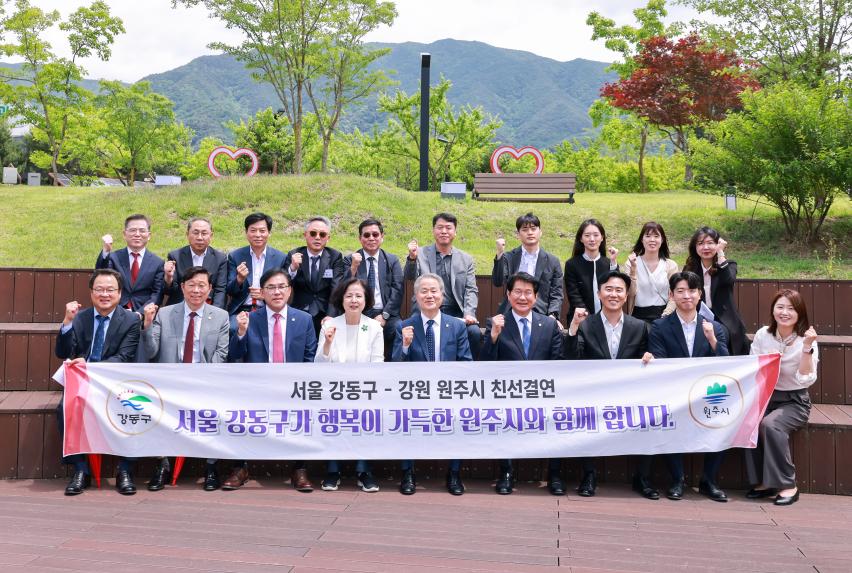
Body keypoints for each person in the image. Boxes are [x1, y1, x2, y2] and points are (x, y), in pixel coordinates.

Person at [563, 271, 656, 499]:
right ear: (599, 294)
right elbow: (572, 359)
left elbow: (648, 357)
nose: (613, 294)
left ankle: (642, 478)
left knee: (652, 417)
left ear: (626, 295)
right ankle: (589, 475)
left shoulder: (639, 326)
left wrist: (649, 358)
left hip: (630, 394)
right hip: (594, 393)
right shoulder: (586, 325)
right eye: (609, 289)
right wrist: (573, 329)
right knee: (583, 415)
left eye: (619, 290)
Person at [226, 269, 318, 492]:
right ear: (262, 293)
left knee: (304, 413)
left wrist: (299, 387)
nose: (277, 292)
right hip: (256, 386)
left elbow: (310, 358)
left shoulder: (304, 319)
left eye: (281, 287)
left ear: (290, 291)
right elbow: (234, 355)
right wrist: (241, 332)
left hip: (292, 387)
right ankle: (240, 467)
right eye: (271, 288)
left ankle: (299, 469)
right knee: (238, 409)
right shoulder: (250, 319)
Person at [141, 266, 230, 492]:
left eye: (201, 285)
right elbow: (151, 352)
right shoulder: (165, 313)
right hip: (169, 383)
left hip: (205, 381)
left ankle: (211, 467)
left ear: (210, 289)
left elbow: (221, 354)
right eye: (191, 285)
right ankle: (162, 465)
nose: (196, 290)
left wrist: (202, 379)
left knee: (217, 409)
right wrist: (147, 325)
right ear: (182, 287)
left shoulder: (220, 316)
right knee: (156, 409)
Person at [55, 269, 141, 495]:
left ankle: (125, 469)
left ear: (120, 293)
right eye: (99, 289)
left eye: (110, 290)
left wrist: (91, 367)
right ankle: (80, 469)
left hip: (117, 383)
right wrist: (67, 322)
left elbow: (124, 357)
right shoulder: (80, 318)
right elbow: (63, 352)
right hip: (83, 383)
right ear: (91, 293)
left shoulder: (131, 320)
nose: (105, 294)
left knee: (135, 408)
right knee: (64, 408)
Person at [647, 271, 730, 502]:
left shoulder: (715, 327)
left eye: (692, 291)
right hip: (674, 394)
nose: (687, 296)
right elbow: (661, 362)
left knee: (724, 421)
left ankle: (709, 480)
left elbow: (727, 364)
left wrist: (712, 339)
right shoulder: (660, 326)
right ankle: (677, 479)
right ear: (671, 295)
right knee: (669, 420)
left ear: (700, 294)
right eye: (681, 291)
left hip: (706, 394)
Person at [481, 272, 563, 495]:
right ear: (508, 295)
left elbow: (558, 362)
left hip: (542, 394)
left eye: (528, 293)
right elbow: (485, 364)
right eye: (517, 292)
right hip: (508, 395)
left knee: (558, 416)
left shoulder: (549, 325)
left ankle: (554, 474)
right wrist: (493, 336)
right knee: (504, 416)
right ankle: (506, 473)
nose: (523, 297)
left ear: (536, 297)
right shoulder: (496, 323)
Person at [392, 273, 473, 495]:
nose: (429, 295)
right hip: (415, 394)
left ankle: (454, 474)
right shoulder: (404, 326)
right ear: (416, 297)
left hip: (448, 393)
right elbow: (395, 367)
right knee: (404, 418)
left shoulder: (456, 326)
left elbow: (466, 363)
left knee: (459, 418)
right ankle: (408, 473)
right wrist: (405, 345)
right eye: (424, 291)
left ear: (442, 296)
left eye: (434, 291)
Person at [745, 289, 818, 507]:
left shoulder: (807, 339)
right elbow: (752, 366)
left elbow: (805, 379)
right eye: (780, 307)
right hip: (766, 395)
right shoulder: (763, 335)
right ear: (773, 310)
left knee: (771, 425)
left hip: (794, 400)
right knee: (748, 422)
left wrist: (807, 348)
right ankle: (765, 482)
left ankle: (788, 484)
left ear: (799, 313)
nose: (784, 312)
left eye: (791, 308)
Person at [316, 278, 384, 493]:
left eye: (358, 296)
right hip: (334, 391)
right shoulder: (330, 325)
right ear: (341, 299)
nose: (354, 300)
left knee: (367, 419)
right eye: (349, 296)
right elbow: (319, 365)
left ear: (366, 300)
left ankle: (364, 471)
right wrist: (327, 344)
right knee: (332, 418)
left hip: (364, 390)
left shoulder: (374, 327)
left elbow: (378, 362)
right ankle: (333, 471)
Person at [404, 213, 481, 356]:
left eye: (448, 228)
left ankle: (469, 368)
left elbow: (471, 289)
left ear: (455, 232)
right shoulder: (420, 253)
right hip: (426, 310)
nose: (444, 231)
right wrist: (412, 259)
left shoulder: (466, 259)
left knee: (474, 332)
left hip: (455, 313)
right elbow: (409, 277)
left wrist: (469, 313)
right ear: (434, 231)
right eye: (440, 227)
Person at [683, 227, 749, 355]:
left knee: (718, 334)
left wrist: (720, 253)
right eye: (700, 243)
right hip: (697, 318)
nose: (705, 247)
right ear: (695, 247)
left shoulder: (728, 265)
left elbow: (728, 281)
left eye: (710, 243)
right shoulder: (690, 269)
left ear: (718, 244)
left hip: (725, 320)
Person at [344, 218, 404, 360]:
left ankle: (395, 368)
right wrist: (353, 268)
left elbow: (397, 289)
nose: (371, 238)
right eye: (366, 235)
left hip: (387, 313)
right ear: (360, 238)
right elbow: (343, 289)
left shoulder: (392, 260)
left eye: (375, 234)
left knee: (399, 328)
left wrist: (385, 315)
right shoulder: (350, 260)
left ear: (382, 237)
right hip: (359, 313)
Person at [492, 212, 563, 324]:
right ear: (518, 234)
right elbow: (498, 282)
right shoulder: (509, 257)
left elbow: (556, 293)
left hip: (541, 312)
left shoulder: (552, 261)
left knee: (555, 329)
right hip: (511, 310)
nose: (530, 233)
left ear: (540, 232)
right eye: (525, 229)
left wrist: (553, 315)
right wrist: (500, 253)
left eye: (533, 229)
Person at [285, 216, 346, 335]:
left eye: (322, 234)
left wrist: (331, 315)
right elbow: (284, 283)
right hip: (299, 311)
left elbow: (336, 288)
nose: (317, 237)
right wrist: (292, 268)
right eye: (313, 233)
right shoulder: (294, 254)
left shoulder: (335, 256)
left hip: (324, 312)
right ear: (305, 235)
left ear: (328, 238)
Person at [95, 213, 164, 313]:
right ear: (124, 234)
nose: (137, 234)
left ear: (149, 235)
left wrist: (141, 313)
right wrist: (106, 251)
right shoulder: (114, 258)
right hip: (116, 312)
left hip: (143, 314)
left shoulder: (157, 263)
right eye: (132, 230)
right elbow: (100, 275)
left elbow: (157, 294)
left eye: (142, 230)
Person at [226, 212, 287, 316]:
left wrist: (266, 295)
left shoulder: (280, 258)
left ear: (269, 233)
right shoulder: (235, 256)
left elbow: (284, 289)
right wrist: (239, 279)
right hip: (241, 310)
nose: (258, 235)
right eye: (253, 230)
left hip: (269, 309)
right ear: (246, 232)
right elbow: (229, 290)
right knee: (233, 325)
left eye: (262, 231)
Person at [163, 217, 228, 309]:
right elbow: (170, 291)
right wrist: (168, 278)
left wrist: (215, 312)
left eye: (204, 233)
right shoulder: (175, 256)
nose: (199, 237)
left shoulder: (220, 258)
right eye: (196, 233)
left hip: (208, 307)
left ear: (211, 235)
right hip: (181, 308)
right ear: (187, 234)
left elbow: (220, 289)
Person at [563, 218, 619, 325]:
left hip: (607, 319)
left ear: (602, 238)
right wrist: (590, 321)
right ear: (581, 238)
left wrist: (613, 262)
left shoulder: (608, 263)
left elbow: (615, 286)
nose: (592, 239)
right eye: (587, 235)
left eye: (596, 235)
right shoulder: (572, 264)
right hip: (581, 319)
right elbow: (574, 296)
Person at [623, 222, 678, 323]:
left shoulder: (670, 265)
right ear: (642, 239)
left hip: (663, 316)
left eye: (656, 236)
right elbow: (630, 293)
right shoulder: (631, 263)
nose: (652, 240)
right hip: (637, 318)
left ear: (662, 240)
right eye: (648, 236)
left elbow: (675, 295)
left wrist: (666, 315)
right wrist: (633, 270)